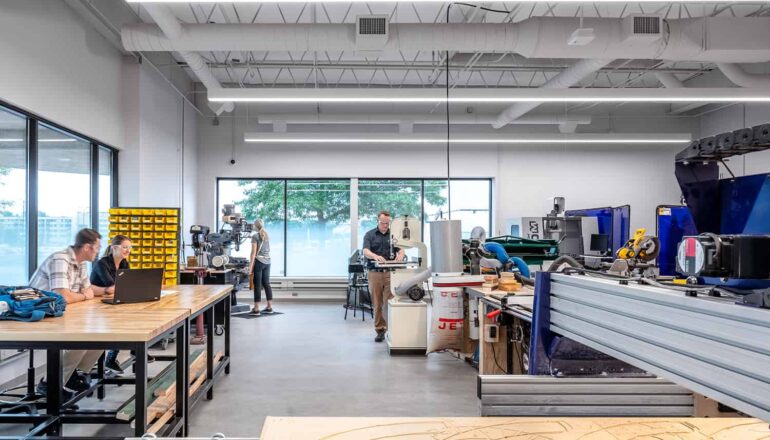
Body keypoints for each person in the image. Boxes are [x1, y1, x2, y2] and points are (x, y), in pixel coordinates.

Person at [29, 228, 108, 398]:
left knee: (103, 337)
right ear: (87, 247)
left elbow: (89, 292)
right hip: (39, 315)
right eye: (97, 247)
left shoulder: (80, 264)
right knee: (81, 339)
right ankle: (49, 383)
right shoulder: (61, 259)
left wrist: (88, 294)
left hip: (62, 314)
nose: (98, 251)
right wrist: (83, 295)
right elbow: (62, 296)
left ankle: (73, 375)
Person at [90, 234, 132, 373]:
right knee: (121, 322)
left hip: (111, 302)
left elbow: (127, 283)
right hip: (95, 305)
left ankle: (135, 350)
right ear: (114, 248)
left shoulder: (124, 263)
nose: (128, 250)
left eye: (129, 247)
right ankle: (110, 359)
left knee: (132, 317)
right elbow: (111, 287)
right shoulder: (102, 263)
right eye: (125, 247)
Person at [362, 210, 405, 343]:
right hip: (374, 273)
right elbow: (365, 251)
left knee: (389, 302)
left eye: (387, 223)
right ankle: (380, 329)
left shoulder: (393, 235)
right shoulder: (369, 234)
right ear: (378, 221)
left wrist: (401, 255)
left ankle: (391, 328)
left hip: (390, 273)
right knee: (377, 303)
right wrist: (375, 256)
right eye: (383, 223)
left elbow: (402, 248)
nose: (385, 226)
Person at [248, 219, 273, 316]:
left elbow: (253, 253)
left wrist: (250, 268)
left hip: (259, 262)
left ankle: (256, 309)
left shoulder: (255, 236)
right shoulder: (266, 235)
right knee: (267, 284)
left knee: (257, 285)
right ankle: (269, 307)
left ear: (255, 226)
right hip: (268, 261)